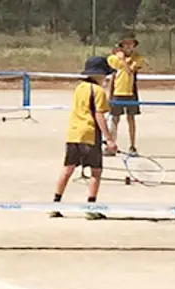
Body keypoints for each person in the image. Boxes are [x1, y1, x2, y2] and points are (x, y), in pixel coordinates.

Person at [52, 56, 115, 221]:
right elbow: (99, 115)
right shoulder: (99, 91)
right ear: (98, 74)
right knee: (96, 171)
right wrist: (109, 139)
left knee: (67, 169)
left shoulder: (79, 88)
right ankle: (90, 207)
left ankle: (55, 204)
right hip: (89, 134)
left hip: (73, 133)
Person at [107, 35, 145, 155]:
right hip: (117, 92)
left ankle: (132, 146)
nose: (128, 46)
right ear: (121, 46)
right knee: (114, 119)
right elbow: (113, 74)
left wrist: (123, 60)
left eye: (131, 44)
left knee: (131, 119)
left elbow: (129, 71)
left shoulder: (137, 58)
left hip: (130, 93)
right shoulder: (113, 59)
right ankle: (111, 145)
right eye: (125, 44)